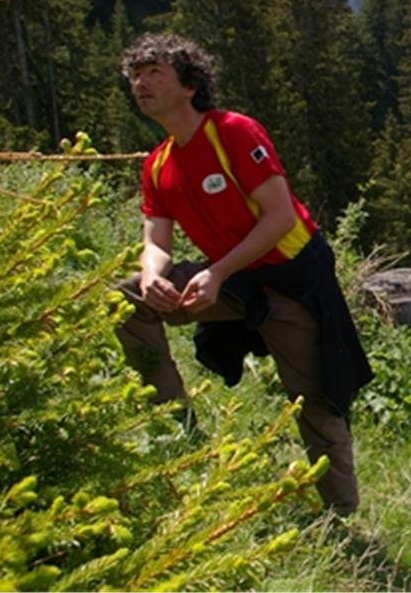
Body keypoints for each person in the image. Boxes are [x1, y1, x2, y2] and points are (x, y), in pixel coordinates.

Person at [113, 33, 372, 514]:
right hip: (233, 278)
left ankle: (343, 517)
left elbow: (280, 218)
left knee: (316, 401)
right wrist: (152, 275)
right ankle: (177, 428)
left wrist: (217, 272)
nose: (141, 84)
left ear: (189, 86)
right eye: (136, 75)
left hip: (292, 280)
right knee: (128, 299)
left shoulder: (232, 132)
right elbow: (156, 242)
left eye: (155, 73)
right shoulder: (158, 165)